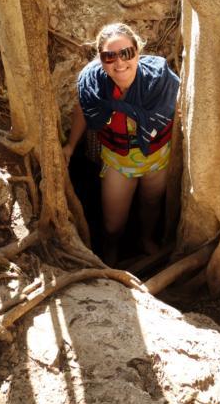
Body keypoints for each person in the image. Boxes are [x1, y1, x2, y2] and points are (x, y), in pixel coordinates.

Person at [63, 22, 180, 266]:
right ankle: (111, 252)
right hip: (118, 161)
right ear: (100, 59)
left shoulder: (159, 79)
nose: (119, 63)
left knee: (152, 207)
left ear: (138, 51)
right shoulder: (93, 84)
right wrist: (71, 147)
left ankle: (146, 240)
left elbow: (180, 107)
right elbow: (83, 112)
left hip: (158, 157)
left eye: (126, 53)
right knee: (112, 223)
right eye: (110, 56)